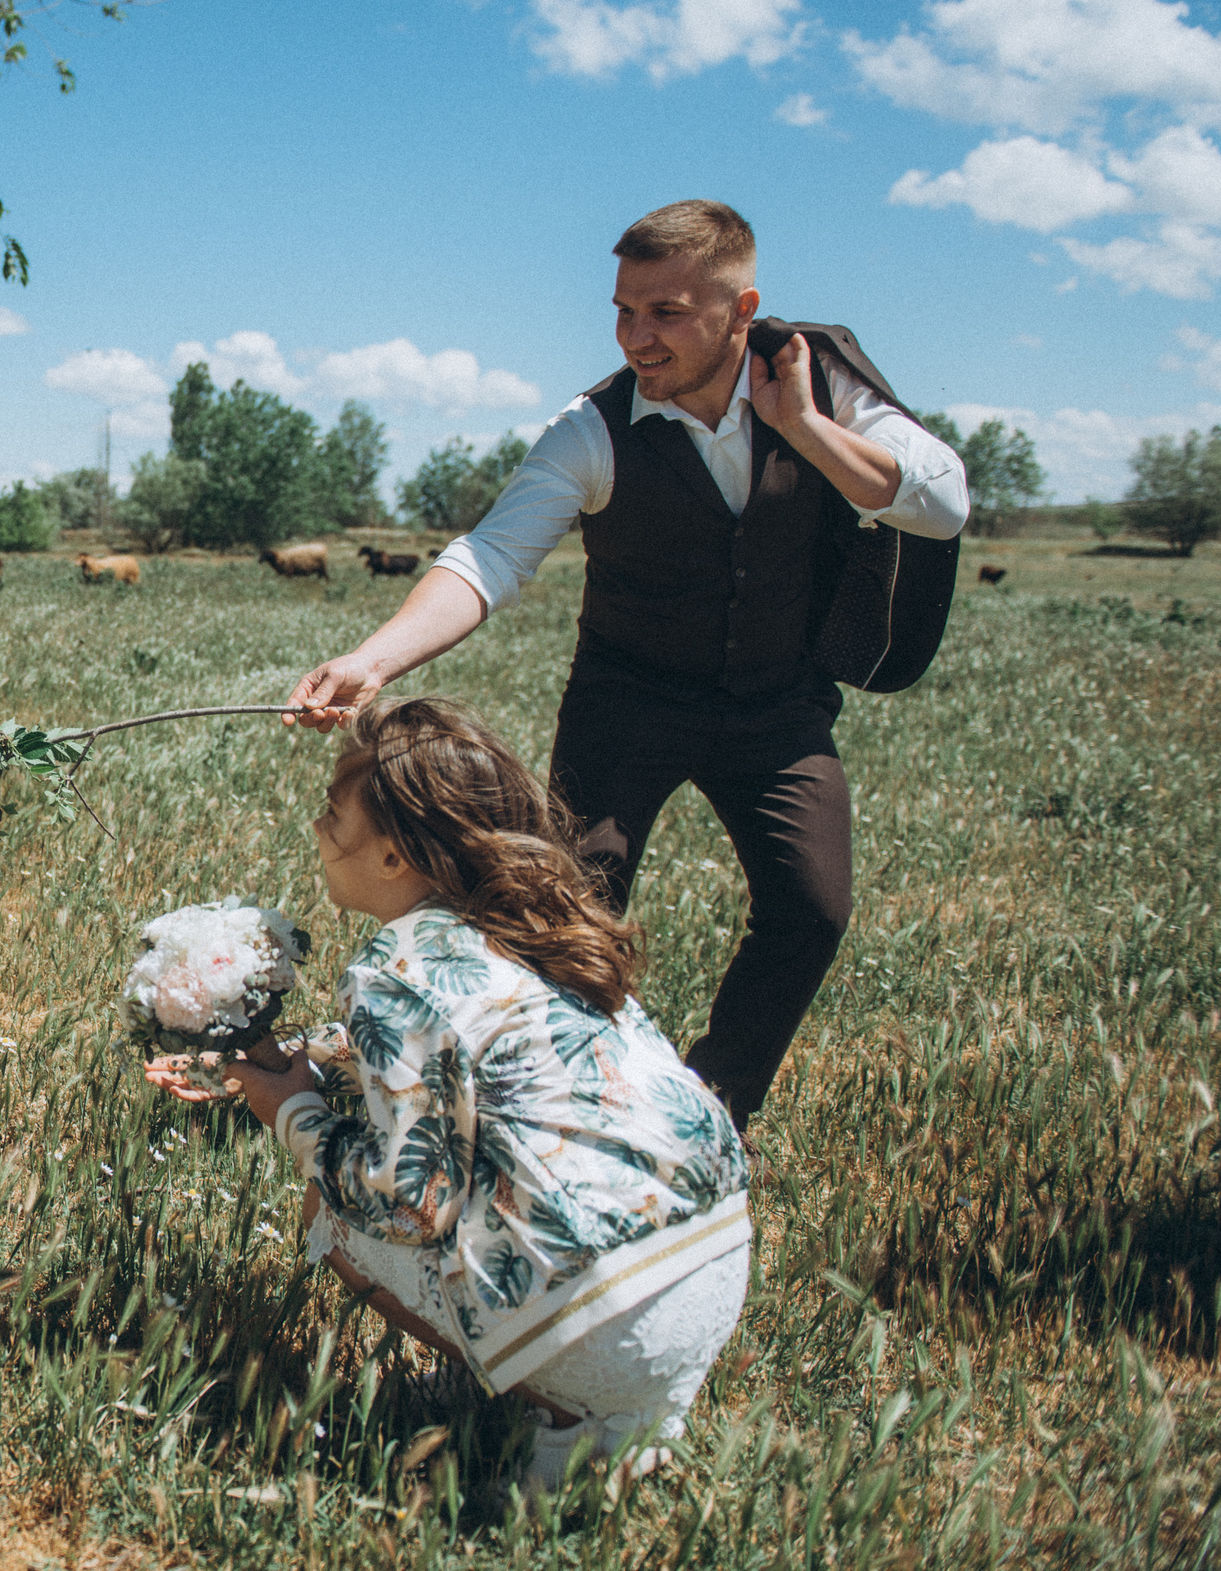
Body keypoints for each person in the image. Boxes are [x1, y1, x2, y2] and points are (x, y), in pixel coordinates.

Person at [286, 201, 968, 1129]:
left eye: (668, 313)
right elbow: (490, 555)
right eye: (623, 311)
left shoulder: (818, 381)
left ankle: (708, 1111)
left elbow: (942, 501)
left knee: (812, 907)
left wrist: (802, 427)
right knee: (566, 905)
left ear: (741, 308)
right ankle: (540, 1101)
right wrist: (373, 658)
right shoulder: (593, 429)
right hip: (629, 702)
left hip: (777, 708)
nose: (638, 337)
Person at [149, 698, 752, 1495]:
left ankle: (575, 1419)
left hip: (613, 1324)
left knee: (329, 1215)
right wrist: (303, 1055)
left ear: (395, 856)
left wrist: (292, 1113)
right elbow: (475, 1055)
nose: (319, 828)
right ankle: (602, 1399)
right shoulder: (534, 918)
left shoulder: (388, 969)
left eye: (333, 812)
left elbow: (406, 1201)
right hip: (714, 1266)